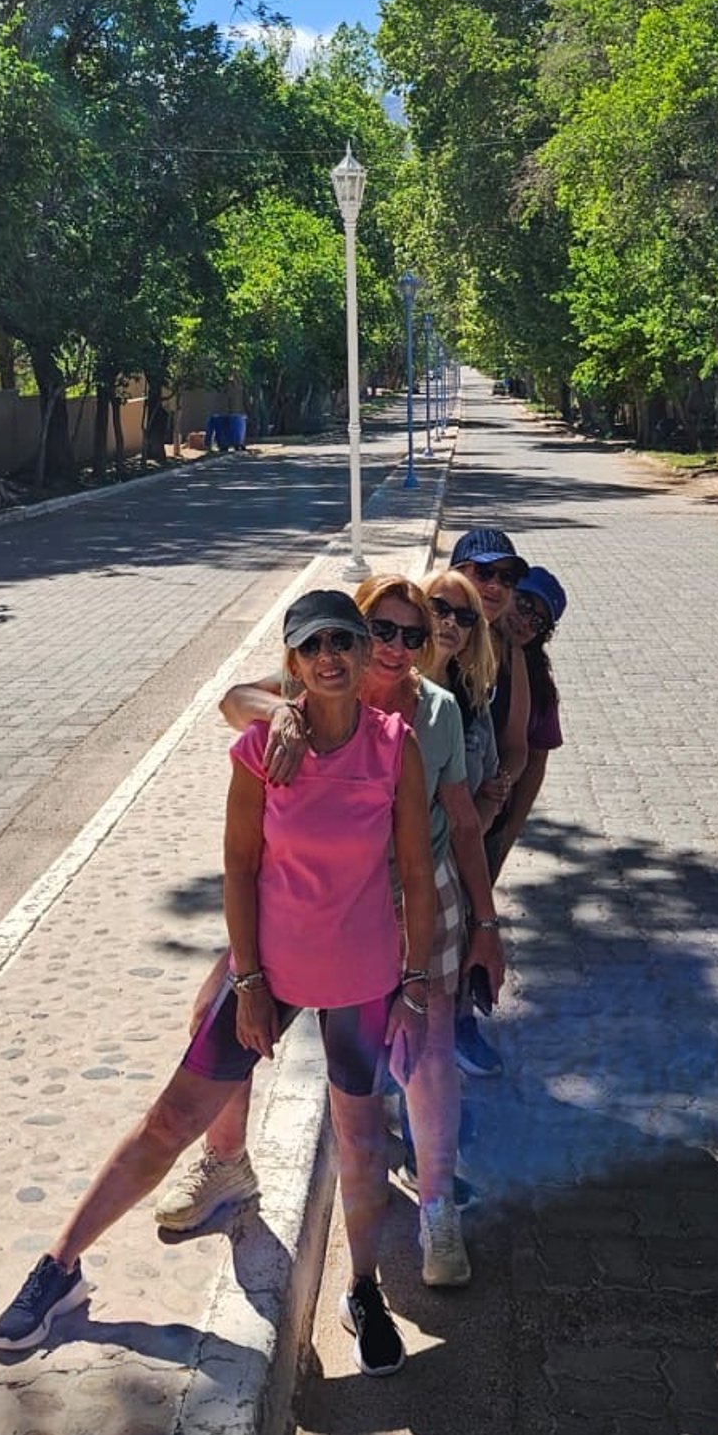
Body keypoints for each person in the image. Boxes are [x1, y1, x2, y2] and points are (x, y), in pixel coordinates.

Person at [0, 588, 437, 1375]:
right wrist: (253, 978)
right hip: (273, 967)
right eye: (313, 647)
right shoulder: (264, 748)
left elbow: (413, 870)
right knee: (171, 1120)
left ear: (365, 656)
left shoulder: (394, 743)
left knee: (363, 1141)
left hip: (366, 976)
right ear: (294, 663)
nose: (331, 656)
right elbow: (239, 866)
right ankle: (60, 1266)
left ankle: (364, 1288)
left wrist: (415, 981)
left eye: (344, 641)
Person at [157, 573, 503, 1288]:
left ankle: (438, 1208)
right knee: (216, 1014)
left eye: (415, 636)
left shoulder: (432, 713)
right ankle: (226, 1165)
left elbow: (463, 821)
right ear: (351, 628)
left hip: (411, 897)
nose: (397, 647)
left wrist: (486, 923)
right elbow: (232, 701)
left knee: (425, 1055)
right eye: (384, 630)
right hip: (306, 900)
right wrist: (278, 715)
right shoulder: (310, 687)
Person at [441, 529, 529, 1078]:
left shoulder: (508, 657)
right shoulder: (417, 646)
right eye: (483, 573)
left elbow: (517, 747)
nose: (494, 587)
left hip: (474, 823)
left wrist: (497, 795)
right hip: (421, 838)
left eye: (506, 578)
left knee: (464, 933)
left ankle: (454, 1036)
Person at [486, 565, 567, 882]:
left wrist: (504, 843)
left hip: (490, 818)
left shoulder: (537, 685)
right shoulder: (460, 642)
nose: (525, 621)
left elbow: (534, 763)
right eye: (524, 604)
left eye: (538, 622)